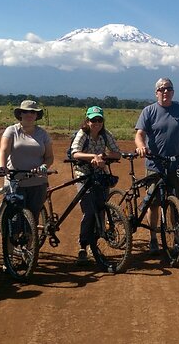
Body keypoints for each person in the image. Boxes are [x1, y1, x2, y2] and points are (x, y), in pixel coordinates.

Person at [135, 77, 179, 253]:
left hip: (176, 163)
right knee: (154, 203)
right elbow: (140, 134)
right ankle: (154, 237)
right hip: (155, 163)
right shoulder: (149, 111)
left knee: (176, 203)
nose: (165, 92)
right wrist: (141, 146)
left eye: (168, 89)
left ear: (173, 91)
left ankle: (177, 238)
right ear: (156, 92)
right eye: (162, 89)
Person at [70, 106, 121, 264]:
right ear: (87, 121)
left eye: (99, 120)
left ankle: (94, 245)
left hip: (100, 175)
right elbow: (75, 153)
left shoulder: (106, 134)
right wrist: (93, 156)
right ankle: (83, 245)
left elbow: (117, 153)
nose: (97, 123)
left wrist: (102, 156)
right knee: (89, 211)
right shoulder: (82, 134)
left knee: (101, 210)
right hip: (83, 175)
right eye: (93, 120)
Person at [0, 100, 54, 223]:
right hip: (15, 181)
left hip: (38, 182)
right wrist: (2, 166)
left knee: (33, 219)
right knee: (13, 218)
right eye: (26, 112)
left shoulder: (43, 134)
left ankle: (30, 241)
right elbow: (4, 151)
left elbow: (49, 156)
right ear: (20, 114)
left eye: (33, 112)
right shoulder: (12, 131)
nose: (30, 114)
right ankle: (8, 241)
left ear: (36, 116)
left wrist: (44, 166)